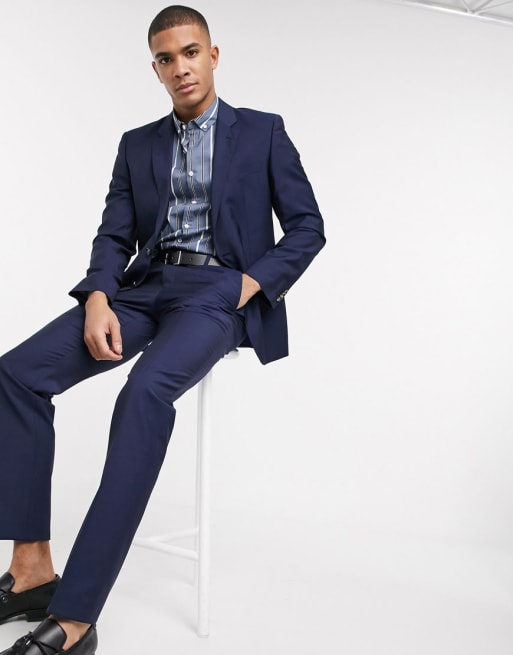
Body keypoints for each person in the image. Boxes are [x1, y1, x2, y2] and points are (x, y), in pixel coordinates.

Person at [0, 5, 325, 654]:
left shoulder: (262, 132)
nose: (181, 67)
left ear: (213, 54)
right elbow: (114, 234)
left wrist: (246, 285)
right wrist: (98, 295)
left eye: (191, 52)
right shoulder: (137, 144)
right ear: (155, 68)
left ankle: (76, 617)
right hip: (142, 290)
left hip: (215, 295)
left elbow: (307, 227)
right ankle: (31, 567)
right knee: (17, 373)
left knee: (143, 396)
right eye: (166, 58)